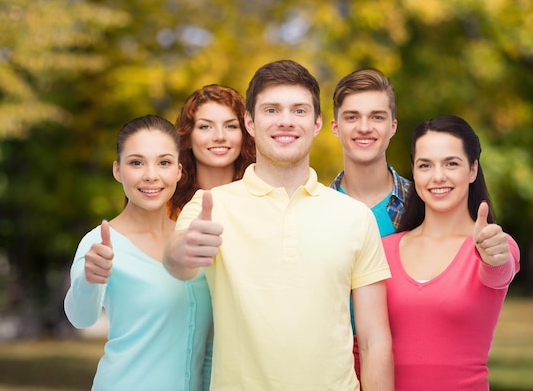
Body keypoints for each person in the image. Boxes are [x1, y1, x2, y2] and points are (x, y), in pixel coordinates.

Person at [164, 60, 394, 391]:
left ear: (316, 124)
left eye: (298, 111)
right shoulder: (210, 206)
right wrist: (183, 249)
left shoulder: (355, 217)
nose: (285, 121)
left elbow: (374, 340)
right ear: (250, 122)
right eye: (272, 110)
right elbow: (176, 262)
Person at [64, 115, 212, 391]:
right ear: (118, 170)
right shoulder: (100, 243)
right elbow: (80, 317)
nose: (151, 175)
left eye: (164, 162)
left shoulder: (192, 239)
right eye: (136, 162)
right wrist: (89, 279)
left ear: (179, 171)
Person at [381, 115, 520, 391]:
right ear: (414, 171)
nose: (438, 176)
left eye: (451, 163)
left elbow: (499, 271)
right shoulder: (384, 249)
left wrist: (493, 257)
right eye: (425, 165)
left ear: (472, 170)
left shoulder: (492, 244)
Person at [330, 67, 411, 381]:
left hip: (412, 363)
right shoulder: (313, 212)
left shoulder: (423, 206)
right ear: (335, 127)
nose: (364, 127)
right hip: (335, 372)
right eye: (352, 117)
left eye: (376, 117)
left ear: (392, 126)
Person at [167, 84, 255, 220]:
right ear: (188, 137)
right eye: (206, 126)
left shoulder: (263, 197)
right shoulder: (167, 205)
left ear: (244, 134)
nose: (220, 136)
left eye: (230, 126)